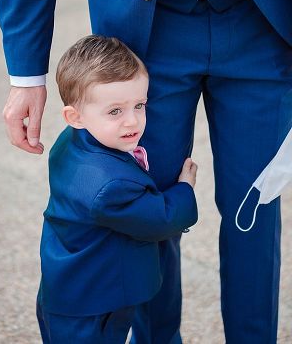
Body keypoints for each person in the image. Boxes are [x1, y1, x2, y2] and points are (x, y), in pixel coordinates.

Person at [0, 0, 292, 343]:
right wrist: (26, 74)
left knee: (253, 212)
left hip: (262, 12)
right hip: (142, 35)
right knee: (144, 213)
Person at [37, 35, 198, 344]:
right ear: (75, 117)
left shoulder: (69, 143)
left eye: (140, 105)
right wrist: (184, 188)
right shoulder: (110, 186)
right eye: (115, 111)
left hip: (68, 287)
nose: (133, 121)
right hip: (94, 302)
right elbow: (160, 220)